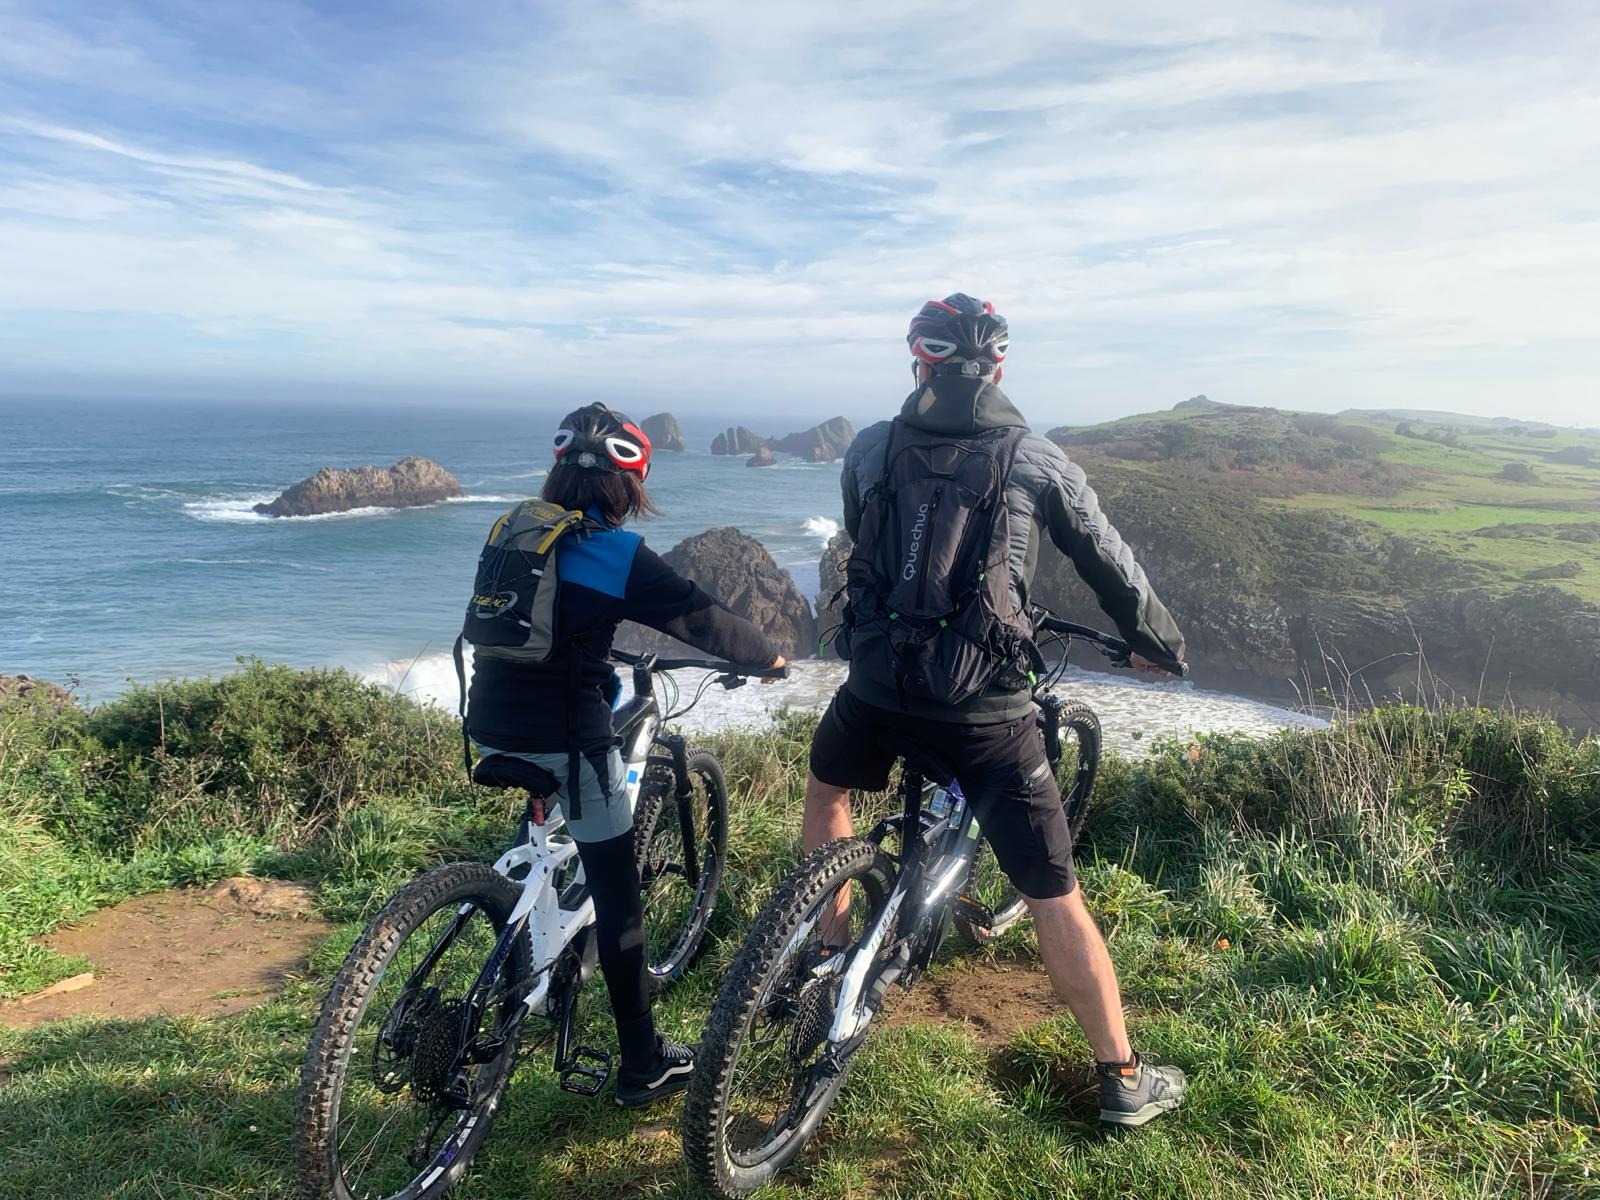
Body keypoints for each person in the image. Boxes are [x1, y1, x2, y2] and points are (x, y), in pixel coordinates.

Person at [809, 294, 1189, 1127]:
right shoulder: (1035, 457)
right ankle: (1123, 1079)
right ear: (1000, 367)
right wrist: (1159, 643)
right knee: (1055, 893)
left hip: (875, 686)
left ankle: (828, 951)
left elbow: (860, 539)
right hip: (984, 709)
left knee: (828, 793)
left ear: (920, 361)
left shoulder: (871, 446)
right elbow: (1109, 563)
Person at [466, 403, 785, 1108]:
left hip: (487, 722)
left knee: (551, 817)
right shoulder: (614, 553)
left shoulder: (514, 529)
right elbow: (699, 617)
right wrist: (770, 657)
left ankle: (534, 958)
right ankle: (642, 1061)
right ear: (627, 487)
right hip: (568, 737)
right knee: (618, 896)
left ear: (558, 475)